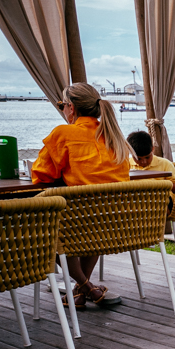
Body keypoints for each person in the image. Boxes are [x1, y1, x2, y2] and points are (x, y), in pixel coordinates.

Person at [32, 82, 131, 309]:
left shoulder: (63, 134)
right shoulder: (114, 137)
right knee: (93, 224)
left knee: (41, 233)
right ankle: (82, 290)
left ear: (71, 108)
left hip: (74, 224)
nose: (62, 110)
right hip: (109, 225)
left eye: (62, 105)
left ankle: (86, 287)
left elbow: (40, 176)